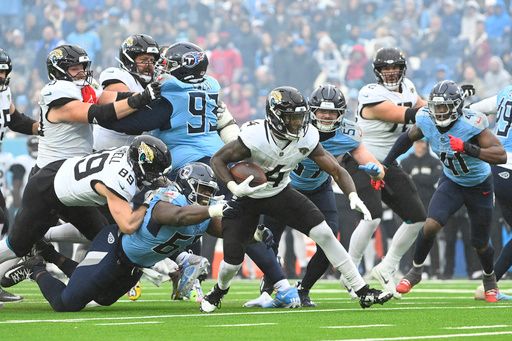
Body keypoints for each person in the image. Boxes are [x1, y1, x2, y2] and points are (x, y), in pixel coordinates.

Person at [200, 86, 393, 313]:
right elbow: (217, 160)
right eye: (292, 118)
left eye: (301, 117)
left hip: (279, 193)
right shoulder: (255, 135)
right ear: (275, 116)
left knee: (325, 233)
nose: (298, 123)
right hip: (247, 197)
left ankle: (362, 291)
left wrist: (352, 195)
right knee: (233, 260)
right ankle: (219, 291)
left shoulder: (308, 135)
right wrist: (234, 187)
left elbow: (336, 170)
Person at [1, 162, 236, 312]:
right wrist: (212, 209)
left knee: (102, 297)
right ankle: (36, 266)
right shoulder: (169, 200)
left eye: (209, 192)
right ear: (187, 186)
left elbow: (225, 229)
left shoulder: (201, 212)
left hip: (134, 265)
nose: (206, 196)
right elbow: (178, 217)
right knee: (67, 303)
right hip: (114, 247)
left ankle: (50, 253)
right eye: (202, 189)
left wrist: (251, 233)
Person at [381, 80, 506, 303]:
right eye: (436, 107)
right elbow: (407, 138)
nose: (439, 112)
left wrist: (468, 148)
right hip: (452, 181)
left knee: (480, 242)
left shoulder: (472, 124)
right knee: (430, 225)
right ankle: (416, 271)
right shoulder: (425, 119)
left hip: (479, 185)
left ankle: (489, 279)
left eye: (444, 107)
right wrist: (386, 164)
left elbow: (500, 154)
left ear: (456, 107)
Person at [0, 135, 171, 281]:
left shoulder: (127, 154)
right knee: (17, 247)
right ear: (140, 162)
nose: (156, 176)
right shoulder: (120, 178)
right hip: (46, 189)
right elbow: (127, 225)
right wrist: (148, 202)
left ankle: (75, 281)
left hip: (67, 185)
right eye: (154, 170)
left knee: (103, 236)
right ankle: (39, 254)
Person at [347, 47, 427, 298]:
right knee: (372, 217)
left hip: (389, 163)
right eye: (385, 68)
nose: (390, 72)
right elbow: (405, 114)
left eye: (394, 67)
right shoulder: (370, 92)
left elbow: (424, 106)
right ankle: (351, 274)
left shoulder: (410, 87)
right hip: (363, 160)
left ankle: (387, 266)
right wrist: (439, 110)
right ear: (377, 71)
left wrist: (445, 105)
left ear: (403, 68)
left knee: (417, 217)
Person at [0, 48, 40, 303]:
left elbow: (13, 118)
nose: (1, 76)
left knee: (2, 218)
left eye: (4, 71)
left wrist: (39, 127)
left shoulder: (4, 92)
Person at [470, 85, 512, 300]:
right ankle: (489, 286)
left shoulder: (506, 92)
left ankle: (489, 285)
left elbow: (473, 108)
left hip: (497, 167)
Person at [94, 34, 160, 150]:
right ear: (129, 60)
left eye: (152, 61)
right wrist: (144, 98)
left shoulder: (154, 81)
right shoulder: (117, 74)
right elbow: (122, 102)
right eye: (144, 60)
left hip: (133, 152)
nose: (149, 65)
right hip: (104, 150)